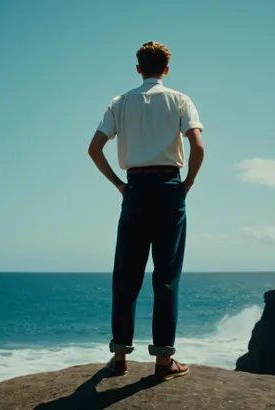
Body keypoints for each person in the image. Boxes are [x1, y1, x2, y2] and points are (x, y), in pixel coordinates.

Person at [88, 41, 204, 380]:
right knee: (166, 276)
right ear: (166, 69)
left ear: (138, 68)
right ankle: (163, 363)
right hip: (170, 188)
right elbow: (197, 146)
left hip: (135, 189)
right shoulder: (181, 100)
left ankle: (120, 359)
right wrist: (188, 184)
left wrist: (119, 185)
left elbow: (94, 149)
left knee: (127, 275)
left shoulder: (120, 103)